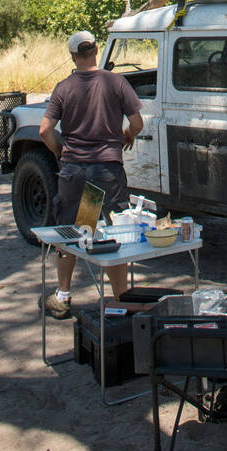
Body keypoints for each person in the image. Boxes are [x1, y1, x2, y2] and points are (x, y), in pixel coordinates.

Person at [38, 31, 144, 319]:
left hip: (74, 172)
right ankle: (121, 300)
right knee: (111, 234)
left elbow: (45, 130)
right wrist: (126, 134)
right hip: (106, 172)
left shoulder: (63, 88)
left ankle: (62, 297)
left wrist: (62, 152)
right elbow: (137, 122)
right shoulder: (117, 82)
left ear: (72, 56)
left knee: (71, 233)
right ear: (97, 50)